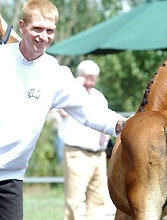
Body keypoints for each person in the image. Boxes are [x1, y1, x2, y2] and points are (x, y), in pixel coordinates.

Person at [0, 1, 126, 220]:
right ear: (22, 26)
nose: (43, 36)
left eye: (49, 31)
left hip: (10, 177)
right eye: (37, 28)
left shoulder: (55, 73)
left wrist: (125, 124)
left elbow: (89, 111)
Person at [62, 60, 111, 220]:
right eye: (87, 78)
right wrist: (76, 84)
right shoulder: (70, 93)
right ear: (80, 77)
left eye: (93, 78)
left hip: (99, 154)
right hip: (77, 153)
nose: (90, 82)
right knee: (74, 199)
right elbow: (61, 111)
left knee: (98, 199)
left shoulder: (99, 96)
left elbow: (107, 120)